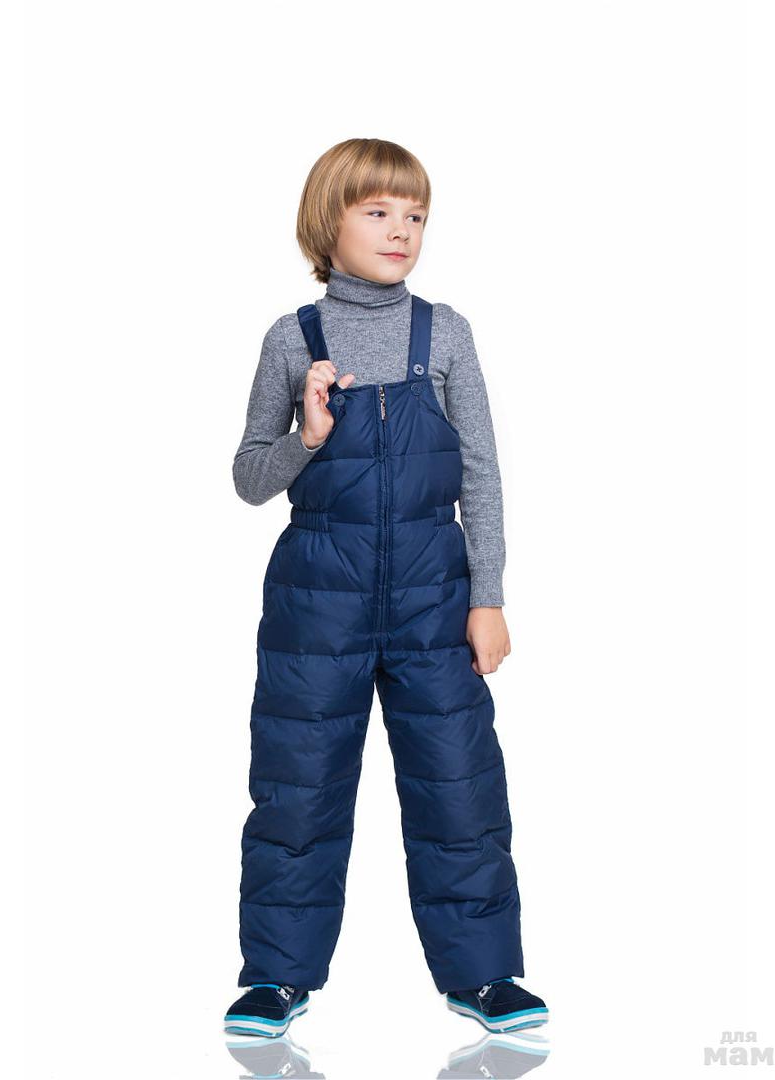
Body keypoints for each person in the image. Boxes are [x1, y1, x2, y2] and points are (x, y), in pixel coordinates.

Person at [224, 138, 549, 1039]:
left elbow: (481, 473)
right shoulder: (292, 339)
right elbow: (249, 477)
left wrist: (488, 598)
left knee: (459, 786)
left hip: (433, 601)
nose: (402, 230)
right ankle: (275, 978)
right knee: (296, 789)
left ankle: (484, 976)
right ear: (326, 222)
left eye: (416, 215)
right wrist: (308, 436)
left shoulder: (444, 333)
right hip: (314, 606)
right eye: (378, 212)